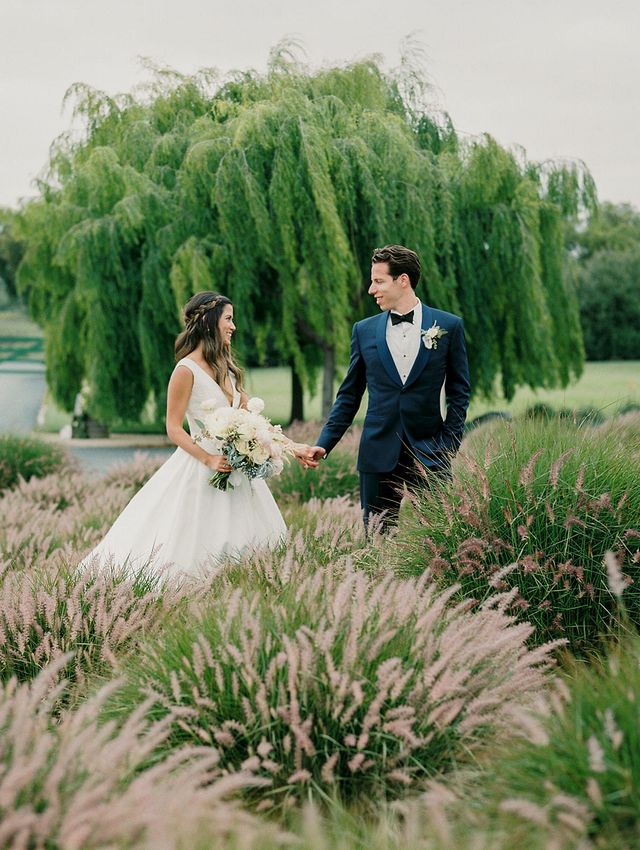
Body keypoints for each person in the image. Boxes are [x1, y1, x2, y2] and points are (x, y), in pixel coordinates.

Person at [82, 291, 310, 578]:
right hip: (201, 468)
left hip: (235, 471)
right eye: (228, 319)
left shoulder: (226, 367)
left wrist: (294, 447)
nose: (233, 326)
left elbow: (254, 421)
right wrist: (208, 460)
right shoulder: (185, 370)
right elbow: (173, 428)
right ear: (209, 321)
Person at [307, 245, 471, 530]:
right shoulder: (363, 330)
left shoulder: (448, 326)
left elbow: (459, 393)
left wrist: (448, 445)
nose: (372, 289)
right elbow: (349, 395)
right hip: (378, 452)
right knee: (379, 541)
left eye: (379, 281)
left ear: (403, 280)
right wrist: (324, 443)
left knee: (440, 537)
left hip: (431, 452)